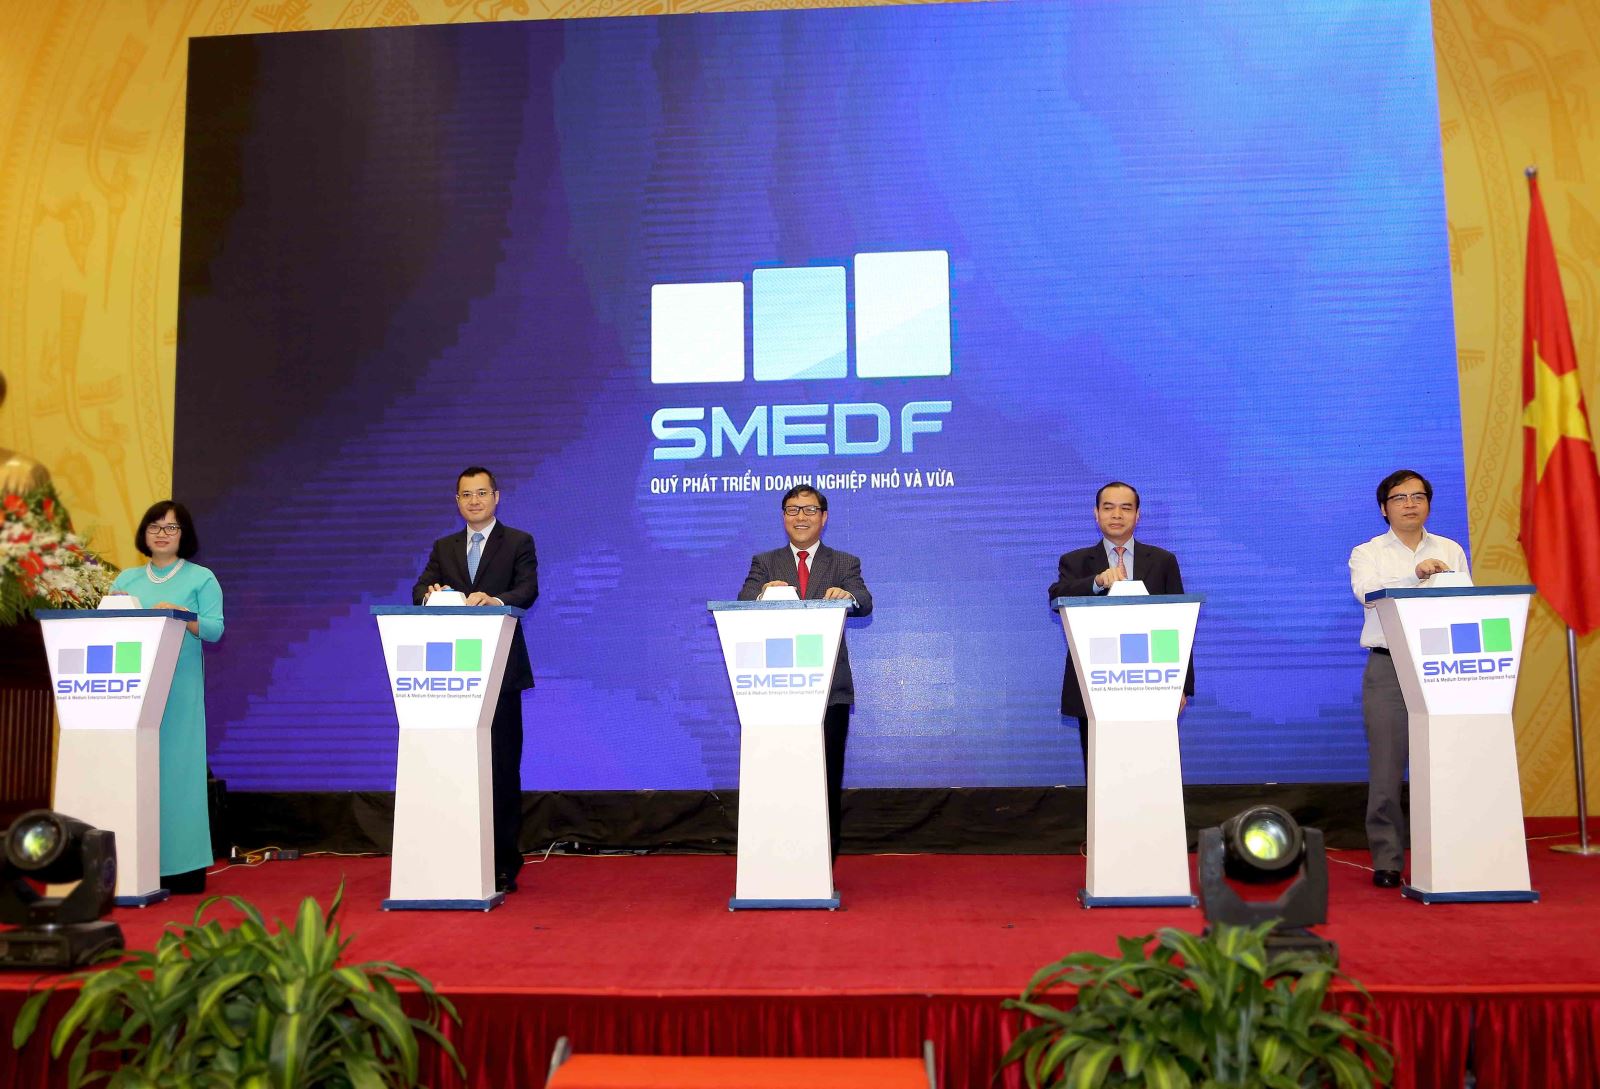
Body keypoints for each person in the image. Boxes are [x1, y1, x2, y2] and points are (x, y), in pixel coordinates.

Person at [413, 467, 538, 893]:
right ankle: (457, 857)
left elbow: (527, 590)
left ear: (496, 497)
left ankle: (503, 863)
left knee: (501, 767)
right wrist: (433, 595)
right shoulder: (444, 547)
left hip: (500, 671)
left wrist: (496, 600)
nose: (474, 501)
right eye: (466, 495)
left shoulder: (518, 542)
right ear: (457, 501)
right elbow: (419, 591)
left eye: (481, 493)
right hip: (453, 676)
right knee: (457, 768)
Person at [1348, 469, 1469, 889]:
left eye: (1418, 496)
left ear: (1429, 504)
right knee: (1386, 768)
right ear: (1384, 509)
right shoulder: (1367, 552)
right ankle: (1387, 859)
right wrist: (1414, 574)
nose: (1410, 504)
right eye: (1399, 498)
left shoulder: (1450, 549)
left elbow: (1465, 601)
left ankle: (1448, 855)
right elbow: (1367, 593)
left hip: (1443, 665)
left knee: (1445, 762)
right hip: (1389, 666)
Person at [737, 485, 872, 858]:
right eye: (793, 509)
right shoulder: (765, 563)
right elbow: (743, 602)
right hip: (775, 690)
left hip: (828, 690)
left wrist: (848, 597)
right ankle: (778, 860)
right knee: (780, 781)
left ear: (823, 517)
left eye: (810, 510)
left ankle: (823, 864)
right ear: (783, 517)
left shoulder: (844, 563)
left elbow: (864, 601)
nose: (801, 517)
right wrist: (764, 595)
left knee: (825, 779)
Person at [108, 501, 224, 894]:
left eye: (171, 528)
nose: (162, 534)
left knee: (178, 773)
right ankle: (136, 864)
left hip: (179, 688)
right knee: (137, 772)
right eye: (154, 526)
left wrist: (181, 613)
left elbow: (214, 630)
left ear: (183, 535)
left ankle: (182, 867)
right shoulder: (126, 579)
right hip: (131, 688)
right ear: (144, 532)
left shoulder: (201, 578)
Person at [1048, 481, 1193, 769]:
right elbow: (1056, 596)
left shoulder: (1163, 561)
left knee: (1152, 769)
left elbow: (1180, 624)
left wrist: (1182, 685)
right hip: (1097, 684)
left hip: (1153, 682)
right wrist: (1097, 582)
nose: (1117, 515)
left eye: (1126, 508)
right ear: (1096, 514)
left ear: (1138, 515)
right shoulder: (1075, 561)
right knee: (1102, 772)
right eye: (1108, 508)